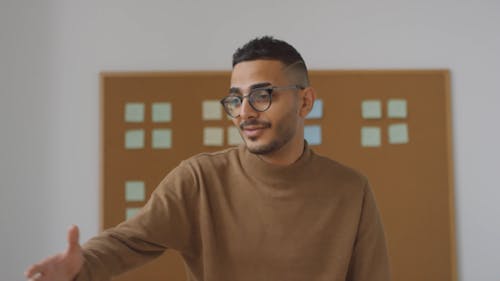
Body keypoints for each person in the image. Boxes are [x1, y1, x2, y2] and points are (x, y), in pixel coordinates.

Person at [25, 36, 391, 281]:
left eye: (262, 95)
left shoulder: (350, 189)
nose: (245, 112)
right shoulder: (200, 179)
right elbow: (128, 241)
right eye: (235, 99)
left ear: (305, 101)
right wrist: (79, 267)